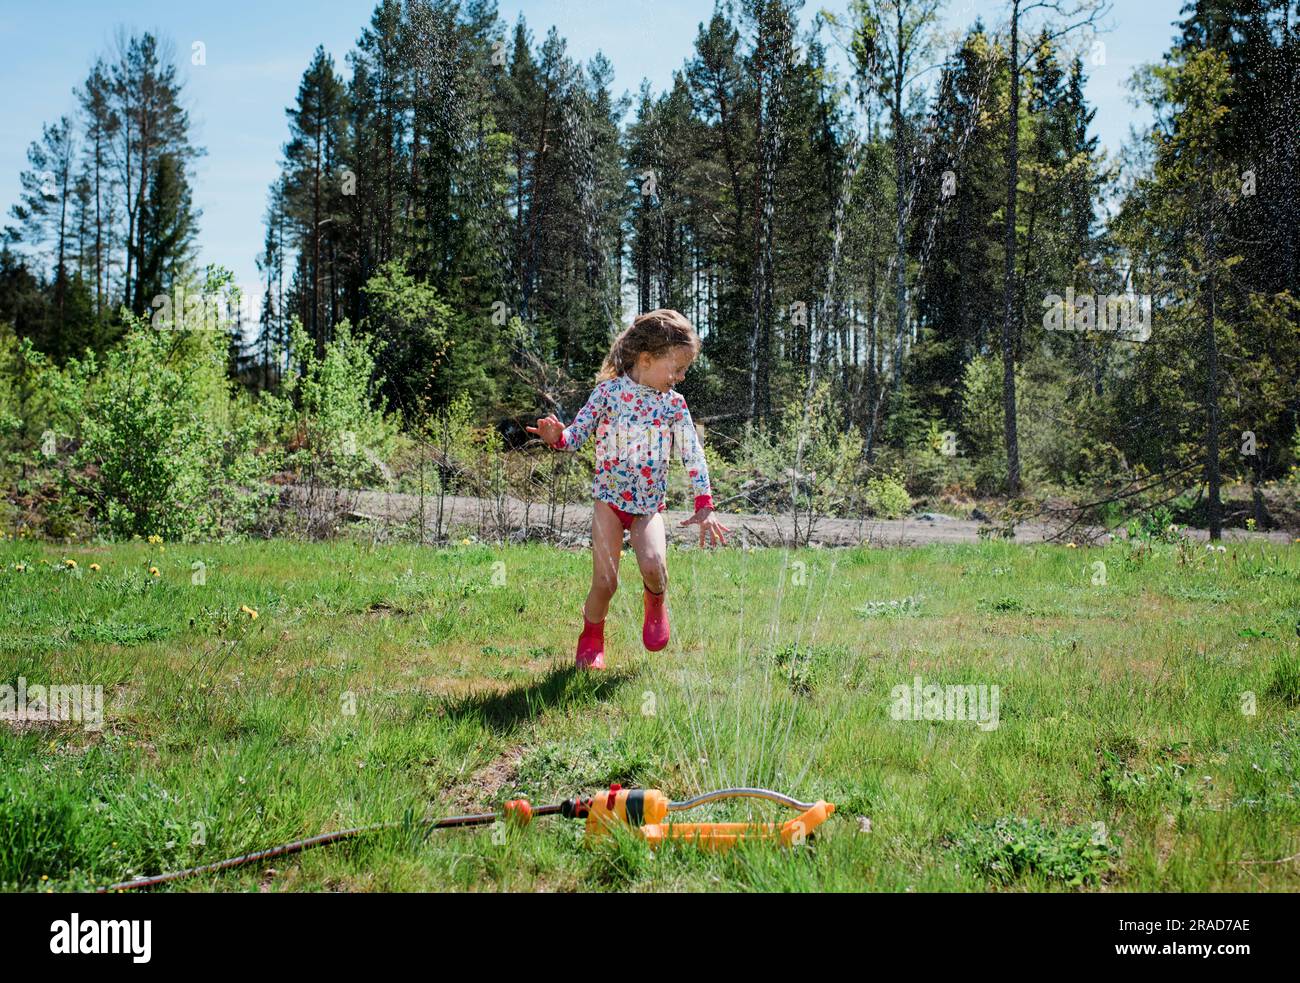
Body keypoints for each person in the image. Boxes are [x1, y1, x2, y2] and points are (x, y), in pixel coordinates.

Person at [527, 309, 729, 670]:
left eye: (685, 370)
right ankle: (592, 636)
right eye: (677, 368)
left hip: (648, 506)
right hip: (609, 502)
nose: (681, 377)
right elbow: (577, 434)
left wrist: (705, 502)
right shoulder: (608, 393)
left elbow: (693, 454)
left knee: (653, 565)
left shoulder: (673, 404)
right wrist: (558, 437)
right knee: (605, 582)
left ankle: (655, 602)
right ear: (646, 359)